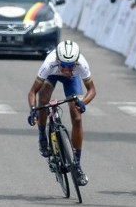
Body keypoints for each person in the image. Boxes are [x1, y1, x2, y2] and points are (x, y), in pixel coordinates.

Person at [27, 40, 97, 186]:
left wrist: (83, 102)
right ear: (58, 60)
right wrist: (33, 110)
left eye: (70, 66)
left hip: (72, 81)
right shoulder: (49, 63)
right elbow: (33, 91)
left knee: (77, 118)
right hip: (52, 75)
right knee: (43, 98)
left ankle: (77, 165)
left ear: (76, 62)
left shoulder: (81, 64)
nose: (66, 69)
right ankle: (42, 136)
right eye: (64, 66)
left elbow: (92, 90)